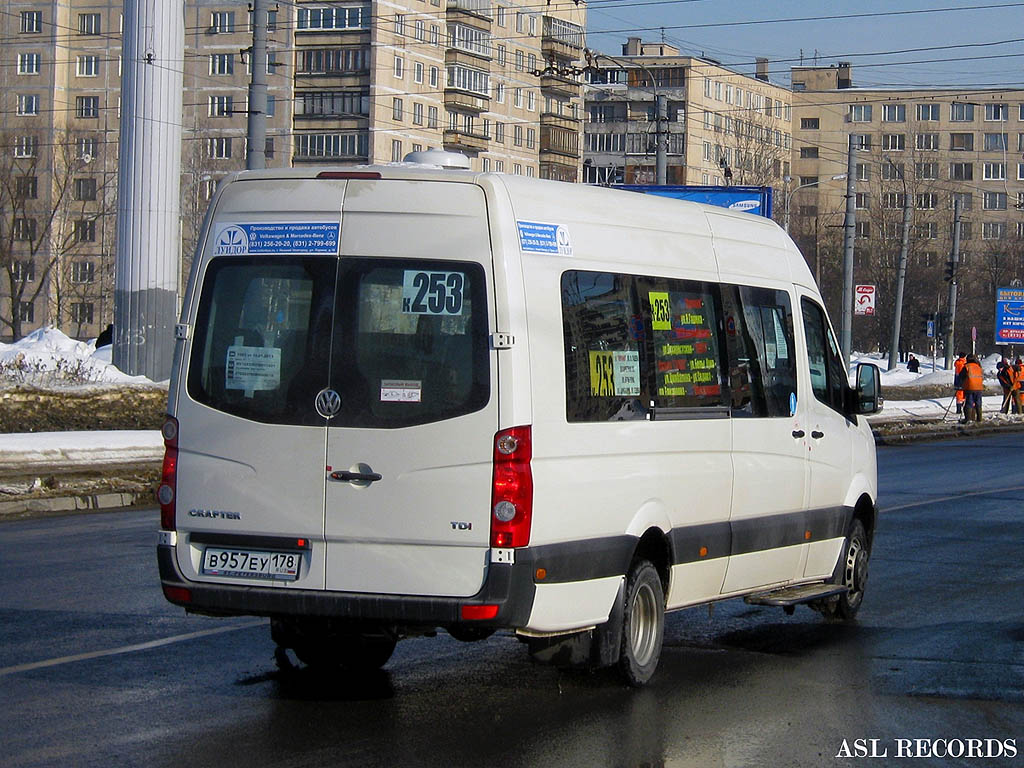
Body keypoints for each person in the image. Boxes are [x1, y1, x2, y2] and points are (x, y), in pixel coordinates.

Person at [956, 353, 985, 422]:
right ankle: (979, 418)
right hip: (979, 387)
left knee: (969, 403)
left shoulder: (967, 366)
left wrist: (960, 385)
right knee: (978, 403)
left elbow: (961, 376)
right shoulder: (979, 367)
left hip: (970, 387)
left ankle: (968, 419)